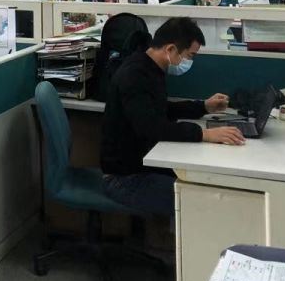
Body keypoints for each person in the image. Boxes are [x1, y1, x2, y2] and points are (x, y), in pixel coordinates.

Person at [100, 17, 244, 216]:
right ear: (170, 49)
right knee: (202, 202)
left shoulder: (149, 67)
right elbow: (151, 127)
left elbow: (160, 109)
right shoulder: (134, 75)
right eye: (190, 55)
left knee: (207, 184)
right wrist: (204, 134)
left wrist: (203, 107)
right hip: (125, 178)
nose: (189, 61)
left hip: (142, 166)